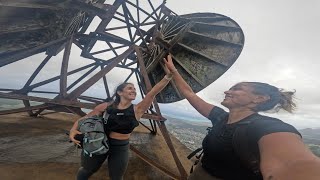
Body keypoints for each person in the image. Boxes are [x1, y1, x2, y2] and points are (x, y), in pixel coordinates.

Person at [164, 54, 320, 180]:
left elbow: (294, 166)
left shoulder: (267, 127)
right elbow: (190, 94)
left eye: (237, 89)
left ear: (259, 98)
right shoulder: (221, 117)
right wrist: (174, 72)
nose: (227, 92)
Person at [69, 67, 173, 180]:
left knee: (116, 177)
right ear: (119, 92)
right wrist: (73, 130)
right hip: (100, 141)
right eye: (129, 88)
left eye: (134, 89)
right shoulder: (105, 107)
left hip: (120, 147)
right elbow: (84, 119)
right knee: (86, 170)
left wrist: (167, 77)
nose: (133, 90)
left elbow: (152, 94)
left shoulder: (137, 110)